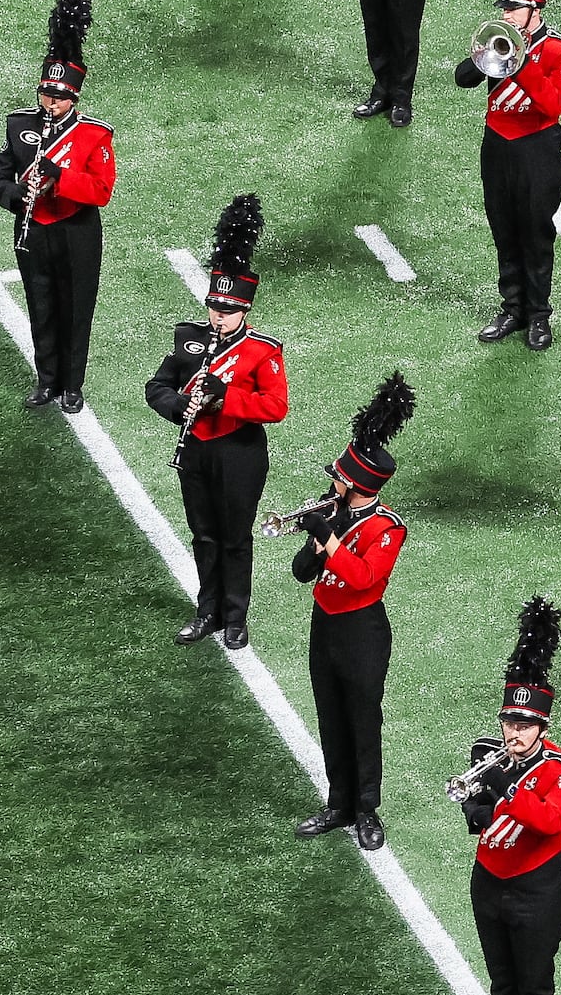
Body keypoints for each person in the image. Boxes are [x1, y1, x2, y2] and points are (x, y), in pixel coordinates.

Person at [152, 193, 287, 644]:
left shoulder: (262, 350)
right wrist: (179, 407)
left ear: (245, 310)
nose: (218, 315)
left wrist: (226, 396)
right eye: (214, 307)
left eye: (228, 310)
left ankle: (235, 618)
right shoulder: (189, 339)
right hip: (195, 449)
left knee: (234, 538)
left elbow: (275, 407)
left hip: (239, 453)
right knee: (204, 536)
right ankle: (206, 611)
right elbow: (158, 388)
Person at [286, 373, 412, 847]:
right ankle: (338, 803)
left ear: (357, 484)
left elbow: (363, 578)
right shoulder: (332, 513)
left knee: (362, 717)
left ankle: (366, 809)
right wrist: (317, 535)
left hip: (363, 630)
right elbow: (302, 572)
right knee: (329, 713)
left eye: (339, 478)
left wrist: (330, 537)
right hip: (326, 627)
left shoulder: (388, 528)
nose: (333, 482)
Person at [453, 0, 561, 349]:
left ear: (535, 11)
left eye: (513, 10)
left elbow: (551, 106)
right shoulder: (498, 38)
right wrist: (487, 49)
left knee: (535, 233)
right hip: (497, 145)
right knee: (503, 227)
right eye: (504, 8)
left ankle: (539, 315)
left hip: (536, 150)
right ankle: (511, 308)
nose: (505, 15)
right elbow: (462, 79)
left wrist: (520, 61)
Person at [0, 0, 113, 412]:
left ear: (74, 98)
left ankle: (72, 386)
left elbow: (101, 191)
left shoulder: (94, 136)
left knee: (75, 309)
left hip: (77, 232)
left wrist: (59, 178)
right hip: (33, 230)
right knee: (40, 306)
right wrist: (16, 198)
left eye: (59, 97)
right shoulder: (20, 126)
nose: (50, 103)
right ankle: (46, 381)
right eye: (46, 93)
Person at [461, 601, 561, 995]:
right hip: (488, 883)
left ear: (542, 727)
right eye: (509, 723)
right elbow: (473, 810)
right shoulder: (485, 751)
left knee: (533, 993)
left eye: (524, 725)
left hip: (536, 892)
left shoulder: (560, 769)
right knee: (502, 988)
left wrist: (505, 789)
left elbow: (551, 821)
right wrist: (484, 808)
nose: (514, 733)